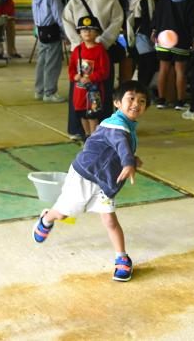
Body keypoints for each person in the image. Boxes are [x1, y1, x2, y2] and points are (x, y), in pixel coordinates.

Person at [32, 81, 150, 283]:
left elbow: (118, 148)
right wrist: (128, 162)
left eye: (142, 101)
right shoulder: (116, 125)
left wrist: (132, 159)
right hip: (84, 176)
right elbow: (120, 142)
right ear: (117, 103)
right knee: (64, 213)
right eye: (131, 99)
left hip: (104, 183)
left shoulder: (128, 126)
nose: (136, 104)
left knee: (110, 221)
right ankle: (47, 218)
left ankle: (122, 258)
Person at [62, 0, 125, 140]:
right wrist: (79, 44)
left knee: (102, 92)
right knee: (79, 92)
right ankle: (77, 129)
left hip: (103, 52)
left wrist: (102, 42)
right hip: (81, 54)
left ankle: (102, 130)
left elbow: (117, 22)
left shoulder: (111, 0)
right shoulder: (75, 2)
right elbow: (67, 22)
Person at [151, 0, 194, 110]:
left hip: (163, 36)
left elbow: (158, 13)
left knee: (163, 68)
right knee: (180, 70)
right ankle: (180, 102)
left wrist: (154, 30)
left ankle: (161, 100)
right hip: (181, 38)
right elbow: (193, 21)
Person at [69, 16, 111, 137]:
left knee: (92, 115)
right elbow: (71, 68)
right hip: (79, 91)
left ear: (97, 32)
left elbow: (104, 71)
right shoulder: (77, 50)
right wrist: (74, 76)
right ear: (79, 33)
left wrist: (91, 78)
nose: (87, 32)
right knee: (82, 114)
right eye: (83, 30)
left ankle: (94, 138)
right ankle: (87, 136)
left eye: (91, 30)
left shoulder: (100, 50)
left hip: (94, 92)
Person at [32, 0, 66, 103]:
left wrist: (37, 27)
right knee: (52, 63)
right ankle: (50, 92)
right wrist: (66, 32)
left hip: (41, 30)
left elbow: (34, 11)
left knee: (42, 61)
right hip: (52, 30)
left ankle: (39, 91)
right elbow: (58, 14)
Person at [128, 0, 161, 90]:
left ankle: (141, 89)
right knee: (148, 65)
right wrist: (153, 36)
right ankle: (141, 90)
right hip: (142, 36)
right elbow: (148, 20)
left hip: (135, 35)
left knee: (143, 65)